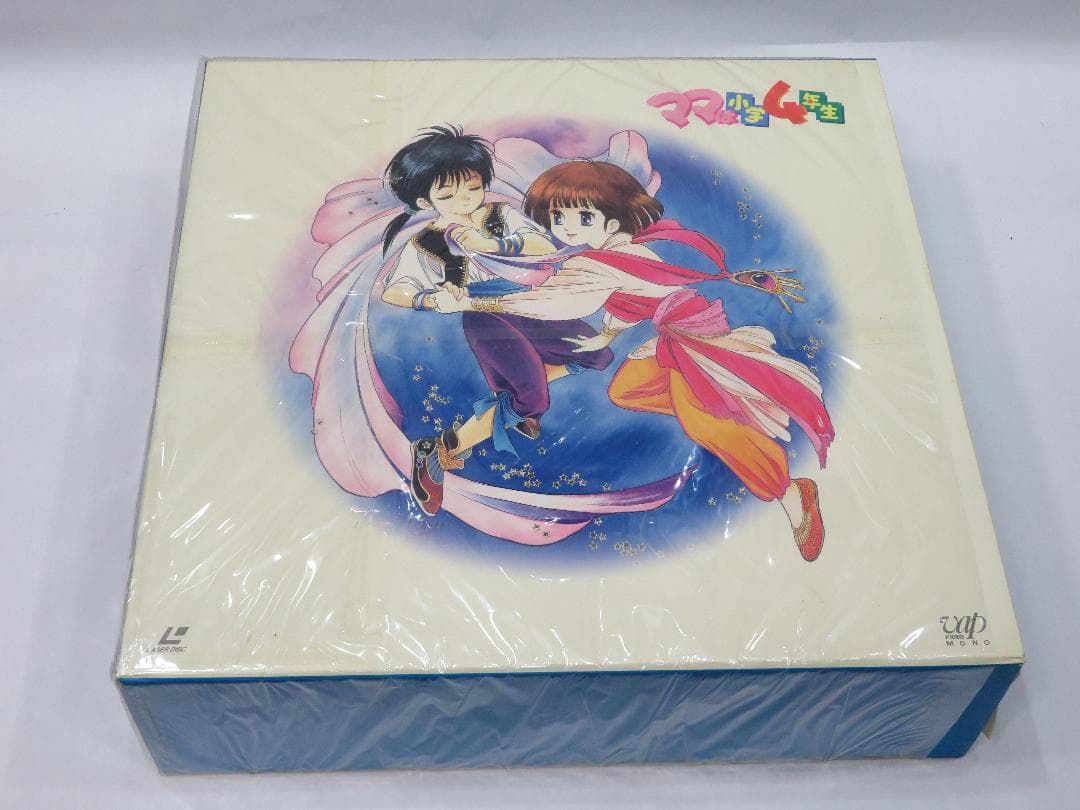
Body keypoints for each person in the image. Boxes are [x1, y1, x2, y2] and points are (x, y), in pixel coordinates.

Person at [428, 160, 835, 562]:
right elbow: (630, 300)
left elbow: (555, 303)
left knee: (707, 424)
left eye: (583, 218)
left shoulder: (595, 263)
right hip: (674, 335)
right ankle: (719, 406)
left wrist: (471, 302)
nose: (568, 229)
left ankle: (788, 491)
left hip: (691, 344)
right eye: (557, 218)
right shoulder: (622, 251)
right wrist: (607, 335)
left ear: (610, 219)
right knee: (626, 390)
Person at [378, 126, 615, 517]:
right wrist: (429, 298)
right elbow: (395, 290)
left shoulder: (500, 215)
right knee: (532, 398)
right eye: (447, 195)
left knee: (597, 353)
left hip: (529, 304)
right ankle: (442, 448)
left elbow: (542, 245)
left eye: (472, 188)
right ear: (424, 201)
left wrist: (493, 244)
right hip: (484, 314)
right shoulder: (425, 243)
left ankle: (517, 400)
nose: (464, 200)